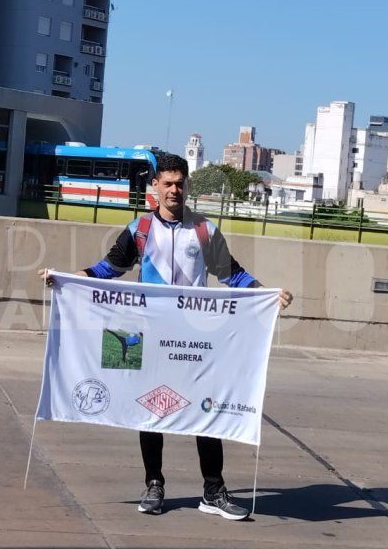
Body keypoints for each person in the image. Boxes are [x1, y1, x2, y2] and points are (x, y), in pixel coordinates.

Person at [40, 152, 293, 521]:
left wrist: (267, 293)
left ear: (188, 186)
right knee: (150, 410)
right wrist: (65, 279)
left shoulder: (205, 230)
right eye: (168, 183)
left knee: (207, 408)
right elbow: (108, 268)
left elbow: (232, 275)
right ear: (155, 187)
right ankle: (154, 484)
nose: (174, 190)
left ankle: (213, 490)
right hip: (149, 335)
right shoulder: (139, 229)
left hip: (195, 340)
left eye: (180, 183)